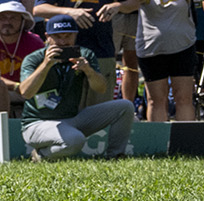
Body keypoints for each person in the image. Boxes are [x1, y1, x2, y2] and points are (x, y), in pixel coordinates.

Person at [18, 16, 137, 160]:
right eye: (57, 37)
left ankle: (116, 155)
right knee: (75, 140)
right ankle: (41, 155)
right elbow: (25, 93)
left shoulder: (84, 54)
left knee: (125, 106)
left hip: (73, 118)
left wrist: (88, 70)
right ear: (47, 37)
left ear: (76, 35)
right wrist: (45, 65)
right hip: (37, 123)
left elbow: (101, 88)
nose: (63, 42)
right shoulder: (34, 59)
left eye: (68, 36)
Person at [130, 0, 200, 121]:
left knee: (183, 97)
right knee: (155, 100)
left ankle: (185, 144)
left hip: (182, 45)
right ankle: (158, 144)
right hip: (151, 48)